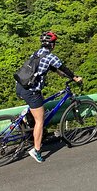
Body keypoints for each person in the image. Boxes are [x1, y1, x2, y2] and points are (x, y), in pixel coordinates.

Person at [15, 31, 82, 163]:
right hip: (31, 92)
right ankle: (37, 150)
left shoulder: (37, 53)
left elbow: (45, 67)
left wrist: (58, 73)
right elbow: (64, 68)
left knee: (39, 103)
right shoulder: (52, 57)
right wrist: (75, 78)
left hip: (20, 86)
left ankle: (27, 117)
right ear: (52, 45)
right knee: (40, 120)